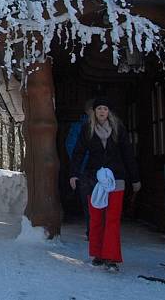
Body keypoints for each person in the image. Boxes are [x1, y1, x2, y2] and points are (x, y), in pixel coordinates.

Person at [69, 97, 140, 271]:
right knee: (96, 218)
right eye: (99, 108)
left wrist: (136, 178)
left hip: (117, 178)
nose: (102, 112)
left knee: (113, 219)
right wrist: (73, 174)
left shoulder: (118, 129)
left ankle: (111, 257)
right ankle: (98, 255)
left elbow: (128, 154)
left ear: (109, 112)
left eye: (105, 109)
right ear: (94, 111)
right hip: (94, 179)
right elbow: (78, 152)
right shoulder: (88, 129)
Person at [65, 99, 93, 238]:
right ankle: (92, 232)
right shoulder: (78, 127)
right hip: (85, 171)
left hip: (102, 171)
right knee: (89, 202)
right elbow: (71, 147)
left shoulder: (107, 126)